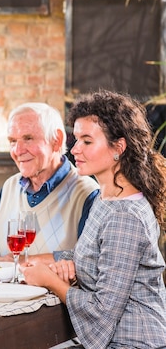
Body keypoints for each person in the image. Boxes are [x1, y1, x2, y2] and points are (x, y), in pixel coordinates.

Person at [22, 90, 166, 348]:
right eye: (75, 139)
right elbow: (101, 258)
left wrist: (49, 280)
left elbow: (102, 312)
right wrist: (68, 264)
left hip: (135, 342)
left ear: (118, 148)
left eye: (87, 141)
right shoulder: (106, 198)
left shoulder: (125, 215)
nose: (75, 149)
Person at [0, 103, 99, 263]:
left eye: (28, 138)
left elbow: (88, 262)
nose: (18, 150)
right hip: (3, 289)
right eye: (13, 141)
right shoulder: (10, 186)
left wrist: (22, 261)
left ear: (56, 140)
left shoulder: (87, 193)